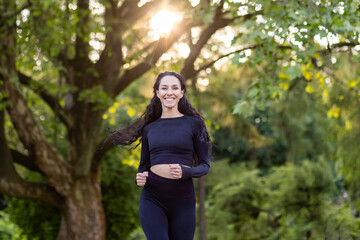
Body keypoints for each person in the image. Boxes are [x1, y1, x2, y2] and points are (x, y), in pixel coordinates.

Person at [108, 71, 211, 240]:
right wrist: (139, 177)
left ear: (182, 92)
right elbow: (143, 165)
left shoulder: (195, 124)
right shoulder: (149, 128)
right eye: (164, 88)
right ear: (157, 92)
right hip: (153, 198)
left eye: (174, 88)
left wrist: (186, 172)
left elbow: (205, 165)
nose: (169, 92)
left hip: (182, 200)